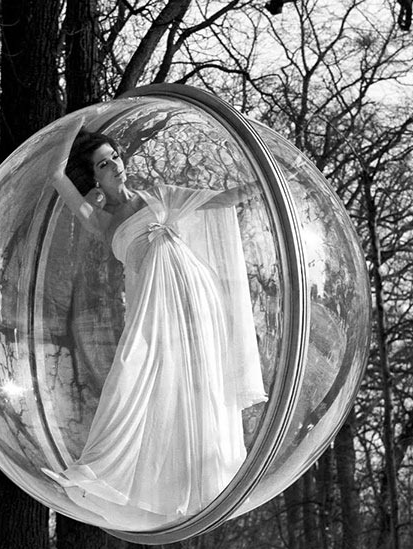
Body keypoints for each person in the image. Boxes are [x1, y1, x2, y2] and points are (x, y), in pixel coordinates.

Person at [44, 124, 267, 528]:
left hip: (196, 298)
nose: (115, 166)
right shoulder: (100, 219)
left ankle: (205, 475)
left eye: (116, 157)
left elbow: (222, 200)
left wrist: (265, 181)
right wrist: (76, 121)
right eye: (103, 163)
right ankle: (102, 472)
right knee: (135, 373)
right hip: (151, 307)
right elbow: (57, 175)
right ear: (94, 175)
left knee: (201, 383)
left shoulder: (160, 195)